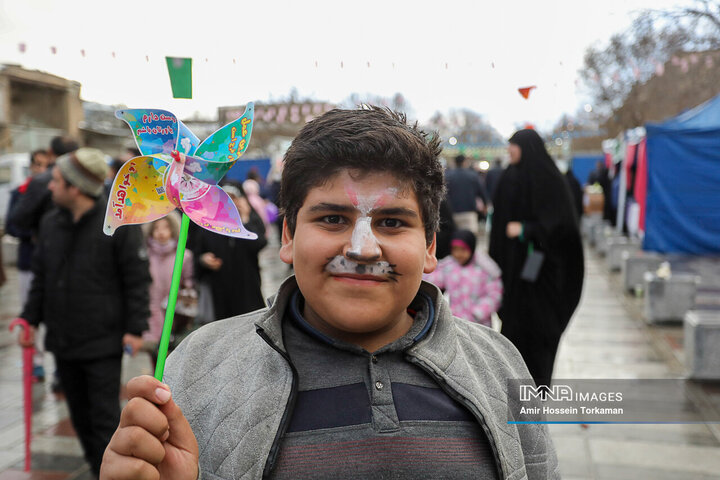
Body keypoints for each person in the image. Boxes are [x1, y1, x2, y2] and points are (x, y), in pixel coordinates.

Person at [100, 107, 559, 480]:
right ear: (288, 237)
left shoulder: (500, 365)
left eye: (393, 222)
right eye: (332, 219)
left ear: (430, 247)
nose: (362, 249)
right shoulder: (198, 367)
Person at [17, 148, 150, 477]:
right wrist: (28, 319)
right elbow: (41, 279)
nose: (50, 186)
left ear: (75, 187)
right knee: (79, 419)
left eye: (57, 181)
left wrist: (135, 328)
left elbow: (137, 279)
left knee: (104, 421)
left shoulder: (118, 225)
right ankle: (96, 469)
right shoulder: (50, 223)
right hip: (63, 341)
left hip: (102, 343)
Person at [489, 129, 584, 386]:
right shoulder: (510, 176)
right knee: (512, 331)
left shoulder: (549, 179)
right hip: (513, 272)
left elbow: (562, 225)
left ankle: (536, 391)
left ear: (527, 148)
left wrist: (527, 230)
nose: (509, 151)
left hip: (543, 274)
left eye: (514, 146)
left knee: (540, 333)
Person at [5, 149, 50, 379]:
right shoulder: (19, 193)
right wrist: (31, 234)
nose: (41, 169)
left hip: (52, 263)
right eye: (38, 164)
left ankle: (60, 369)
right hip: (28, 261)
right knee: (30, 315)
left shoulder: (53, 192)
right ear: (32, 166)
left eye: (45, 165)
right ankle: (36, 360)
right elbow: (12, 224)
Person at [193, 183, 267, 321]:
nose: (230, 203)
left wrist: (245, 219)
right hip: (220, 292)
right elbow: (197, 254)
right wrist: (204, 260)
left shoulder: (250, 221)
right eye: (226, 199)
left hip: (248, 289)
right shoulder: (209, 224)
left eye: (234, 198)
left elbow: (259, 243)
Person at [144, 213, 194, 369]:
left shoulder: (184, 256)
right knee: (153, 357)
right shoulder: (144, 255)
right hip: (149, 314)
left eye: (165, 227)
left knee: (172, 360)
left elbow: (189, 284)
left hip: (174, 315)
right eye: (156, 228)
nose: (161, 232)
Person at [424, 229, 502, 327]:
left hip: (479, 325)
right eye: (455, 249)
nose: (458, 254)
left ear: (471, 248)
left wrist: (478, 313)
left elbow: (494, 295)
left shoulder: (484, 269)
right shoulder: (449, 266)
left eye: (463, 250)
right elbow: (432, 279)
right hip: (456, 322)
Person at [445, 154, 487, 235]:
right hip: (469, 211)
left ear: (455, 162)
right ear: (465, 162)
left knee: (454, 240)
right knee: (469, 239)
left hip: (452, 212)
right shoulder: (473, 175)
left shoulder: (448, 176)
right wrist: (485, 205)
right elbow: (481, 192)